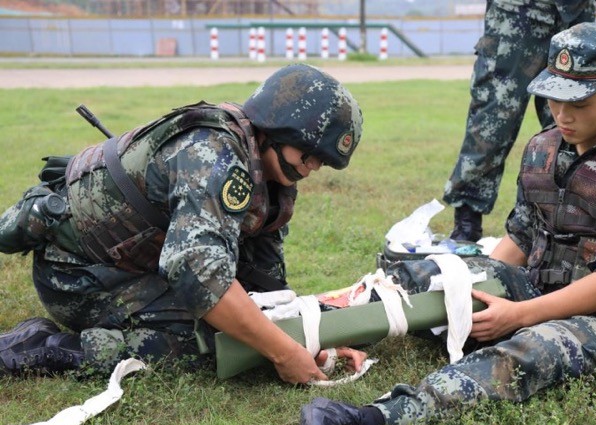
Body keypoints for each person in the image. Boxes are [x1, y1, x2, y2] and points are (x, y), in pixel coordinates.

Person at [296, 23, 596, 425]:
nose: (563, 115)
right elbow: (520, 236)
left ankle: (366, 420)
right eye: (554, 98)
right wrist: (469, 286)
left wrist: (518, 315)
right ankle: (295, 331)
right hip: (533, 286)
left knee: (532, 350)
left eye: (579, 104)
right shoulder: (544, 147)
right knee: (429, 274)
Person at [0, 63, 368, 383]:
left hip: (132, 262)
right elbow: (200, 276)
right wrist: (284, 353)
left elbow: (267, 287)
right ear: (281, 129)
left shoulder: (272, 178)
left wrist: (310, 340)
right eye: (311, 153)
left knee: (243, 325)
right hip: (77, 273)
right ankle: (46, 346)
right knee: (205, 339)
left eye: (323, 160)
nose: (315, 166)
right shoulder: (213, 156)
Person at [444, 0, 596, 242]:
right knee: (492, 124)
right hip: (517, 12)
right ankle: (467, 222)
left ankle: (570, 224)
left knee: (575, 125)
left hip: (574, 12)